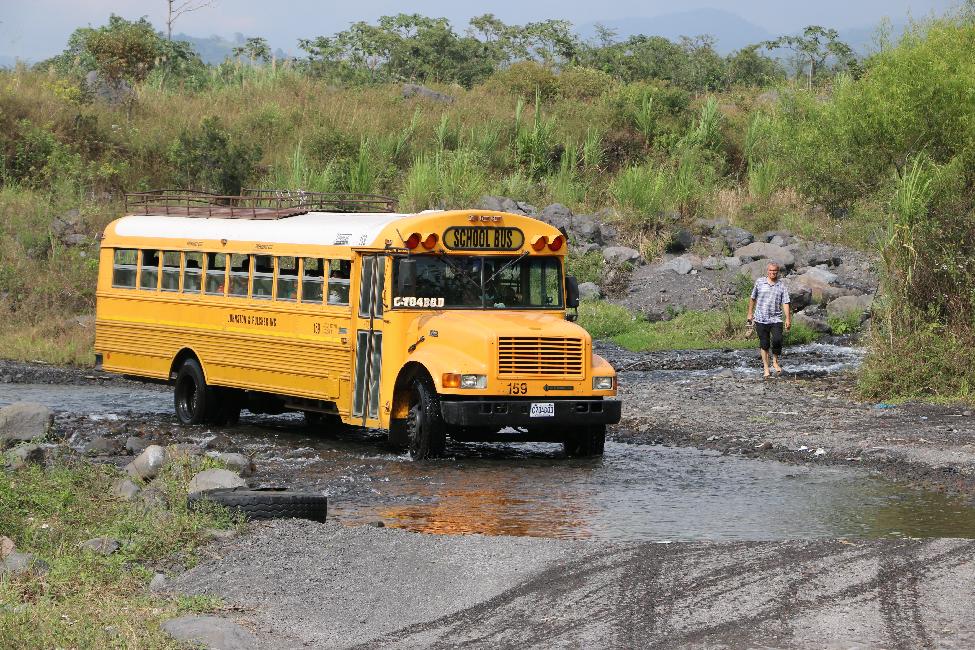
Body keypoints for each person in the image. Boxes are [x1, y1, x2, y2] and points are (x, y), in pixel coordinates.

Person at [746, 262, 791, 378]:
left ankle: (775, 361)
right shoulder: (760, 282)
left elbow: (785, 302)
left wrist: (788, 318)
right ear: (767, 271)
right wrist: (750, 313)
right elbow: (753, 298)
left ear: (778, 272)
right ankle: (766, 368)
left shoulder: (781, 285)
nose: (773, 273)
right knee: (764, 344)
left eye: (775, 271)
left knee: (777, 340)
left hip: (776, 318)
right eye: (771, 271)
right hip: (761, 318)